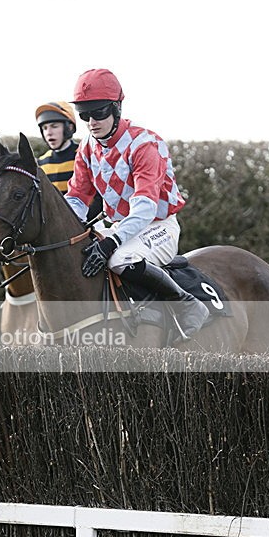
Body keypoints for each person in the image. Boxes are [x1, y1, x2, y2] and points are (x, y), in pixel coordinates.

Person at [64, 68, 209, 339]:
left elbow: (145, 208)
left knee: (120, 258)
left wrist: (110, 242)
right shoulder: (86, 147)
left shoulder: (144, 144)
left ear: (116, 108)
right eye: (84, 115)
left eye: (98, 113)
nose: (92, 122)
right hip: (118, 226)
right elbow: (77, 198)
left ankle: (187, 304)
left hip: (157, 226)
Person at [35, 100, 102, 218]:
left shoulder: (86, 155)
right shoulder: (41, 163)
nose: (49, 132)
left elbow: (100, 198)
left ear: (69, 127)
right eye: (45, 128)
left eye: (54, 126)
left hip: (90, 222)